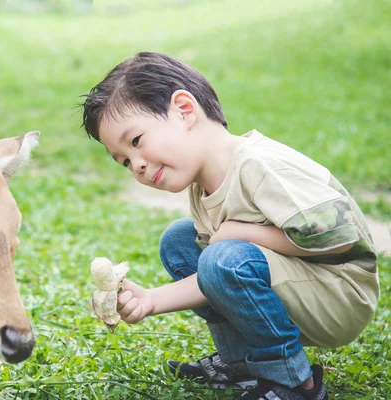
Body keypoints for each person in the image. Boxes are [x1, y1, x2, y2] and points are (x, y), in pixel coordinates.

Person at [79, 51, 379, 400]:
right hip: (300, 285)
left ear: (184, 110)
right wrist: (150, 300)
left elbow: (341, 238)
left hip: (339, 295)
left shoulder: (259, 164)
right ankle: (242, 364)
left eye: (136, 142)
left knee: (224, 255)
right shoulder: (200, 186)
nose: (137, 166)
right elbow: (215, 277)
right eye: (125, 161)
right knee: (180, 240)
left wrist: (245, 232)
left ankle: (294, 382)